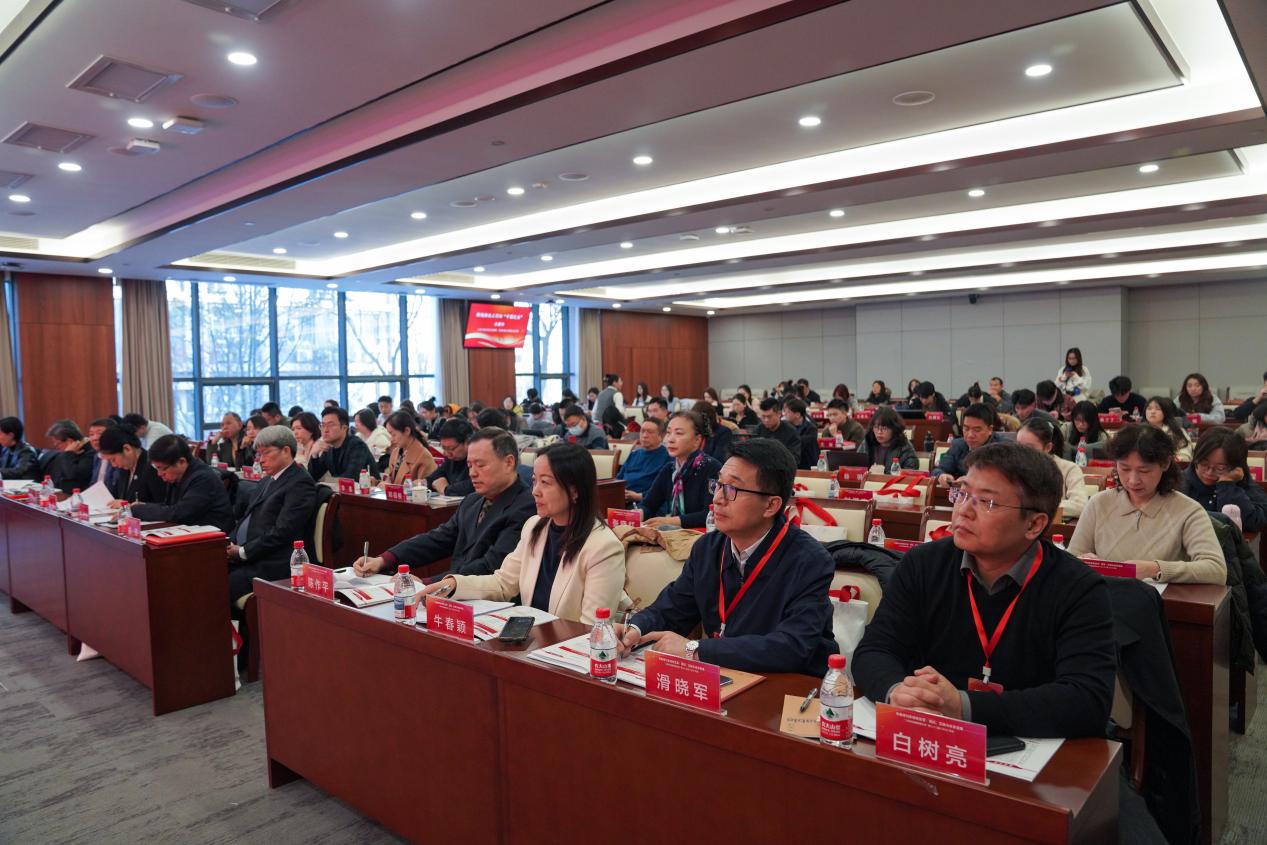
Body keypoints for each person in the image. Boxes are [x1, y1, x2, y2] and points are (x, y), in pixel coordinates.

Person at [852, 442, 1115, 738]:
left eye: (987, 502)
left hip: (1029, 750)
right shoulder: (923, 564)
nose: (963, 510)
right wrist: (898, 691)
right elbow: (875, 650)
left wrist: (963, 706)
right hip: (928, 736)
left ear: (1034, 524)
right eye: (963, 494)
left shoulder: (1079, 588)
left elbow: (1087, 699)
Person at [616, 438, 836, 675]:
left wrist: (695, 649)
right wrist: (634, 629)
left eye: (732, 489)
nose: (717, 498)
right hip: (726, 676)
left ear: (770, 505)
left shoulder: (809, 560)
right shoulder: (707, 548)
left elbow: (792, 647)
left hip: (788, 683)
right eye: (718, 485)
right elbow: (671, 609)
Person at [415, 442, 625, 624]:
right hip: (531, 640)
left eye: (545, 482)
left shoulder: (603, 547)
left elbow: (592, 627)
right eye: (534, 481)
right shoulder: (534, 526)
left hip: (566, 650)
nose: (535, 491)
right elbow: (503, 584)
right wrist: (453, 584)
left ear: (574, 490)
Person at [355, 428, 537, 578]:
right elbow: (438, 540)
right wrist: (385, 560)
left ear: (508, 463)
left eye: (480, 465)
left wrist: (429, 584)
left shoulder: (527, 507)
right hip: (455, 593)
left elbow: (491, 565)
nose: (472, 473)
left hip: (489, 601)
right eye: (470, 465)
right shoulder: (472, 500)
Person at [1068, 424, 1226, 584]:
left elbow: (1216, 569)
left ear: (1165, 463)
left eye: (1144, 471)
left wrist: (1155, 569)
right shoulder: (1098, 504)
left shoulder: (1188, 511)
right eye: (1124, 468)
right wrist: (1087, 563)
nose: (1133, 480)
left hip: (1162, 599)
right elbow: (1070, 560)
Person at [227, 425, 318, 606]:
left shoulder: (300, 483)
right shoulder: (267, 480)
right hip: (250, 555)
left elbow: (282, 531)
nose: (261, 460)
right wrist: (229, 543)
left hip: (273, 563)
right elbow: (247, 518)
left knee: (218, 584)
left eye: (266, 453)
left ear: (286, 451)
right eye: (259, 454)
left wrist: (243, 552)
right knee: (203, 571)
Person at [132, 435, 234, 533]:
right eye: (156, 468)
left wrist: (139, 509)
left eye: (162, 468)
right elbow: (169, 506)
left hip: (214, 536)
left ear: (181, 461)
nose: (159, 474)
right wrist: (145, 506)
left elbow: (179, 513)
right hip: (189, 530)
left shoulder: (203, 478)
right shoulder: (177, 476)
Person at [641, 411, 722, 528]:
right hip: (674, 533)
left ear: (697, 440)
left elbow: (710, 514)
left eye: (678, 433)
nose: (670, 439)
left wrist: (671, 521)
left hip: (701, 534)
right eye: (668, 432)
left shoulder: (712, 468)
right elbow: (648, 505)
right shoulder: (669, 469)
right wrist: (633, 515)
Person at [1184, 428, 1267, 534]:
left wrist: (1226, 484)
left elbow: (1253, 523)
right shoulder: (1180, 482)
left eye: (1220, 468)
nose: (1209, 472)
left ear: (1237, 466)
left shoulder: (1244, 484)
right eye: (1204, 464)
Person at [1016, 417, 1087, 519]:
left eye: (1029, 447)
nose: (1022, 452)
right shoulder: (1012, 468)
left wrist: (1035, 506)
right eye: (1018, 446)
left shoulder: (1069, 469)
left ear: (1048, 447)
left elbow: (1080, 505)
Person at [933, 403, 1001, 486]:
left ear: (990, 429)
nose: (970, 435)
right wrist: (941, 475)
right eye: (966, 428)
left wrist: (973, 479)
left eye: (977, 430)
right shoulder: (958, 445)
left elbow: (1005, 479)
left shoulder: (1003, 448)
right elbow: (938, 470)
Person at [98, 425, 166, 505]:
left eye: (113, 459)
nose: (113, 465)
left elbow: (163, 505)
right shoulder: (125, 467)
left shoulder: (153, 467)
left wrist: (129, 506)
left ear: (127, 449)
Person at [307, 406, 379, 482]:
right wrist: (314, 455)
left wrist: (328, 482)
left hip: (370, 488)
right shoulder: (329, 447)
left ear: (344, 428)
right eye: (323, 425)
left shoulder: (357, 446)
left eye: (331, 425)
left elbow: (351, 478)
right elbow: (312, 477)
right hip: (340, 489)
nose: (325, 430)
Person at [618, 418, 671, 503]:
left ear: (661, 436)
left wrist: (639, 496)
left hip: (646, 502)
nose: (645, 435)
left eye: (650, 432)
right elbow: (618, 479)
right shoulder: (634, 454)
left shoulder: (668, 457)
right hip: (622, 499)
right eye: (642, 431)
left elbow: (664, 490)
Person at [379, 411, 437, 485]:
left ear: (407, 431)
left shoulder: (424, 457)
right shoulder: (395, 452)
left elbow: (426, 488)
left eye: (393, 434)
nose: (391, 439)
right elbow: (392, 480)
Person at [426, 418, 475, 496]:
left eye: (451, 449)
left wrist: (445, 489)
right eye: (443, 448)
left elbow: (474, 484)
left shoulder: (478, 458)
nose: (446, 453)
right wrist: (422, 483)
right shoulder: (451, 458)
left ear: (467, 442)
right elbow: (435, 477)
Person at [44, 420, 95, 495]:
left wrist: (68, 453)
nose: (57, 447)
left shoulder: (90, 452)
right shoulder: (63, 455)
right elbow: (56, 479)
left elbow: (72, 475)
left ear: (70, 441)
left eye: (58, 444)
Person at [1144, 396, 1193, 462]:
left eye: (1158, 409)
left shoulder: (1176, 431)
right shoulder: (1139, 431)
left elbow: (1184, 453)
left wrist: (1177, 459)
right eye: (1149, 408)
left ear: (1165, 412)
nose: (1152, 412)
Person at [781, 397, 819, 470]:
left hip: (805, 463)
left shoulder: (811, 428)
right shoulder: (784, 426)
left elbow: (806, 448)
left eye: (788, 412)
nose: (785, 414)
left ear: (797, 415)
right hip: (788, 460)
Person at [86, 417, 118, 489]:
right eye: (91, 434)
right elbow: (93, 483)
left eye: (100, 433)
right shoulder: (97, 456)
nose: (95, 438)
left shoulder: (118, 457)